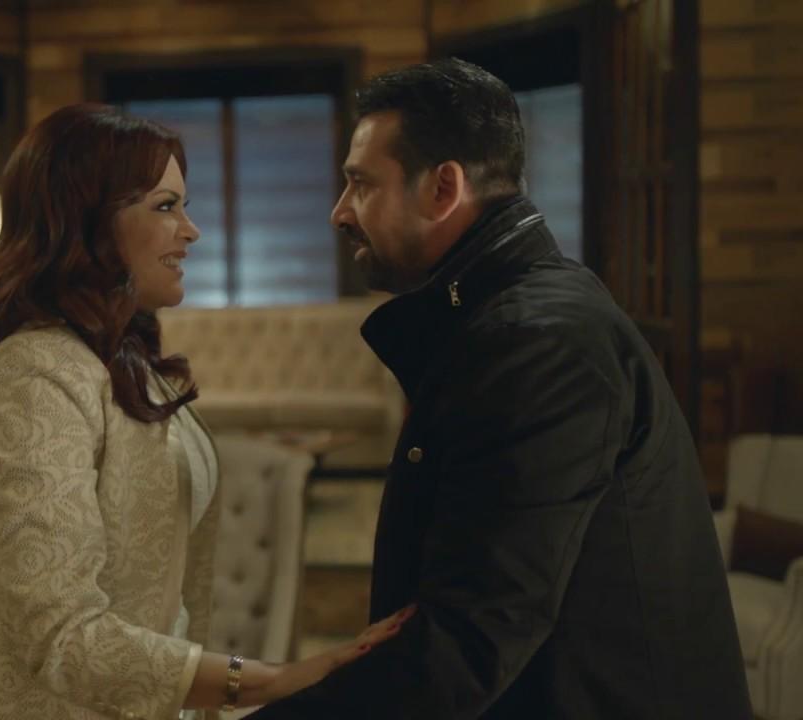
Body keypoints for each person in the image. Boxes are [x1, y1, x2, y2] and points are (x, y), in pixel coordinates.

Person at [248, 59, 752, 719]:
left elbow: (468, 639)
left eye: (361, 184)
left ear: (443, 188)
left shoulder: (538, 341)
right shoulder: (509, 317)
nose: (339, 212)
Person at [0, 103, 413, 720]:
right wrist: (266, 681)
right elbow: (62, 635)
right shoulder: (33, 374)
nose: (191, 231)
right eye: (166, 207)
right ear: (88, 220)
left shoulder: (122, 358)